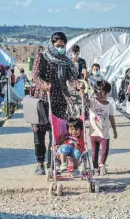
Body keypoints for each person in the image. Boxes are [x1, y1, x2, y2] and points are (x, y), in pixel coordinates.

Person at [31, 31, 80, 175]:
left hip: (59, 101)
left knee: (57, 134)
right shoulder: (42, 57)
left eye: (63, 46)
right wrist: (44, 84)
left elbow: (72, 79)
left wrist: (78, 85)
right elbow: (35, 76)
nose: (61, 48)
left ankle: (52, 162)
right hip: (42, 100)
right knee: (39, 134)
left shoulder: (66, 62)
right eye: (58, 45)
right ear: (52, 45)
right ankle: (39, 163)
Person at [81, 80, 117, 176]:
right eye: (99, 92)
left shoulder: (109, 106)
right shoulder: (93, 102)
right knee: (94, 152)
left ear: (108, 93)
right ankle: (96, 168)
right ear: (96, 92)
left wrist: (114, 130)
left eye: (105, 93)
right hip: (94, 133)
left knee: (105, 150)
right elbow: (84, 102)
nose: (102, 95)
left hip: (104, 133)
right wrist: (82, 92)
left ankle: (102, 165)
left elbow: (111, 118)